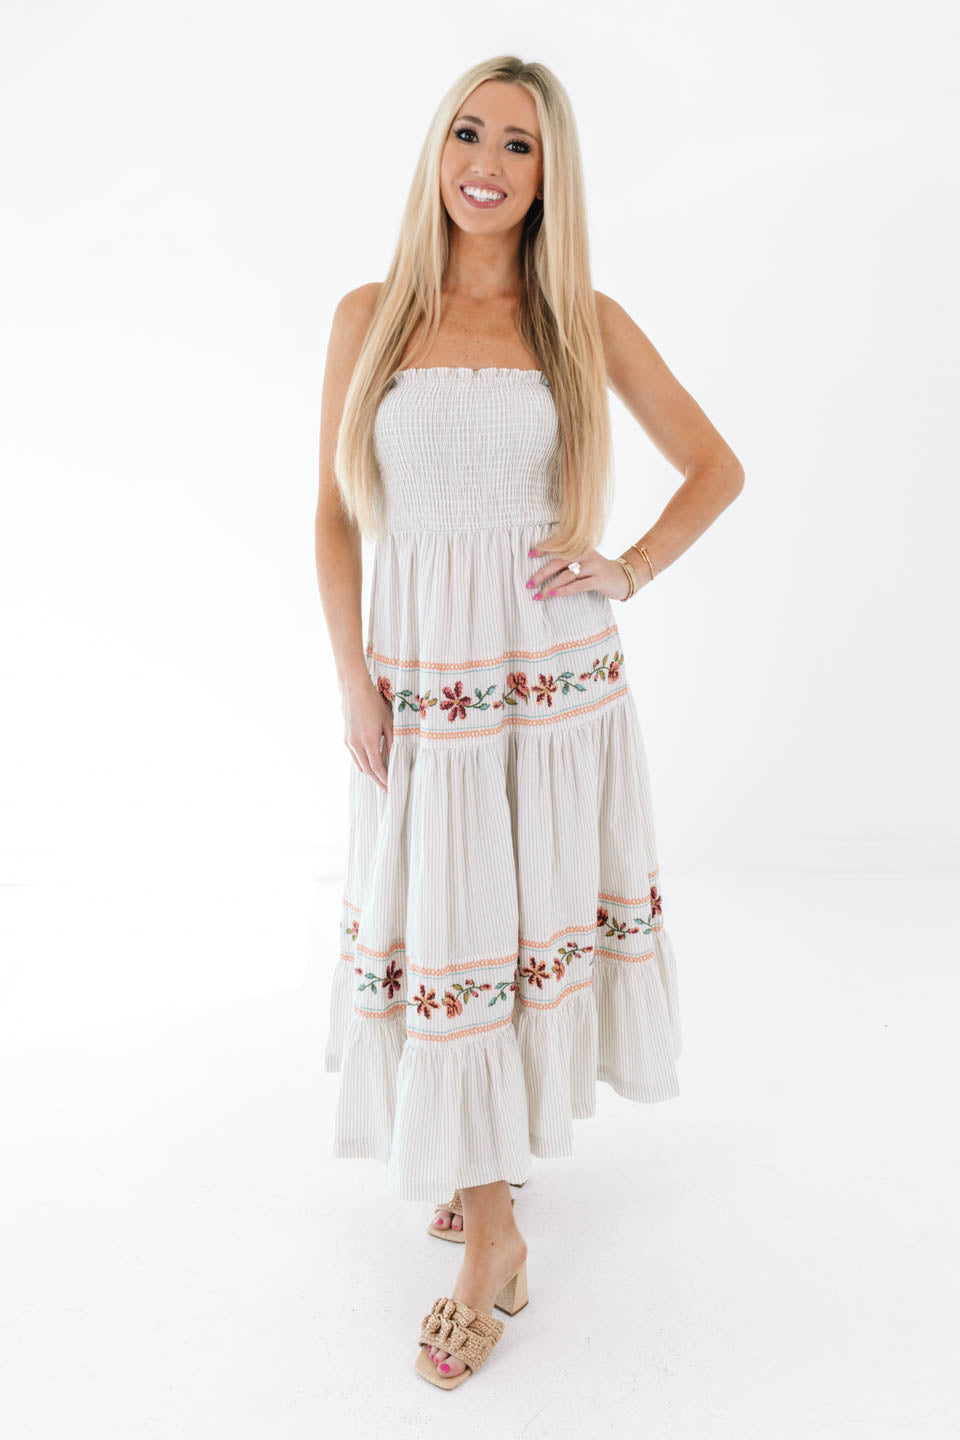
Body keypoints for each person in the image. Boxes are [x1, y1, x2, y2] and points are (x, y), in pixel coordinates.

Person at [315, 55, 744, 1388]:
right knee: (447, 924)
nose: (486, 163)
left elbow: (716, 467)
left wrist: (628, 568)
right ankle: (481, 1175)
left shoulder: (580, 321)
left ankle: (491, 1229)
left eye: (518, 143)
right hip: (425, 690)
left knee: (501, 926)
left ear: (551, 173)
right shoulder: (372, 314)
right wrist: (353, 683)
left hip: (550, 685)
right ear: (436, 151)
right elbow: (332, 515)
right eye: (467, 133)